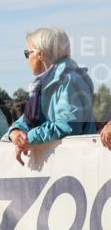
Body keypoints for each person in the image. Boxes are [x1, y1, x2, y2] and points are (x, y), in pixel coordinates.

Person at [6, 27, 96, 165]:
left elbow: (68, 126)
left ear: (40, 55)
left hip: (77, 164)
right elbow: (27, 120)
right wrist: (15, 132)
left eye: (27, 53)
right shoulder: (43, 85)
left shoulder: (69, 81)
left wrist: (28, 139)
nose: (27, 58)